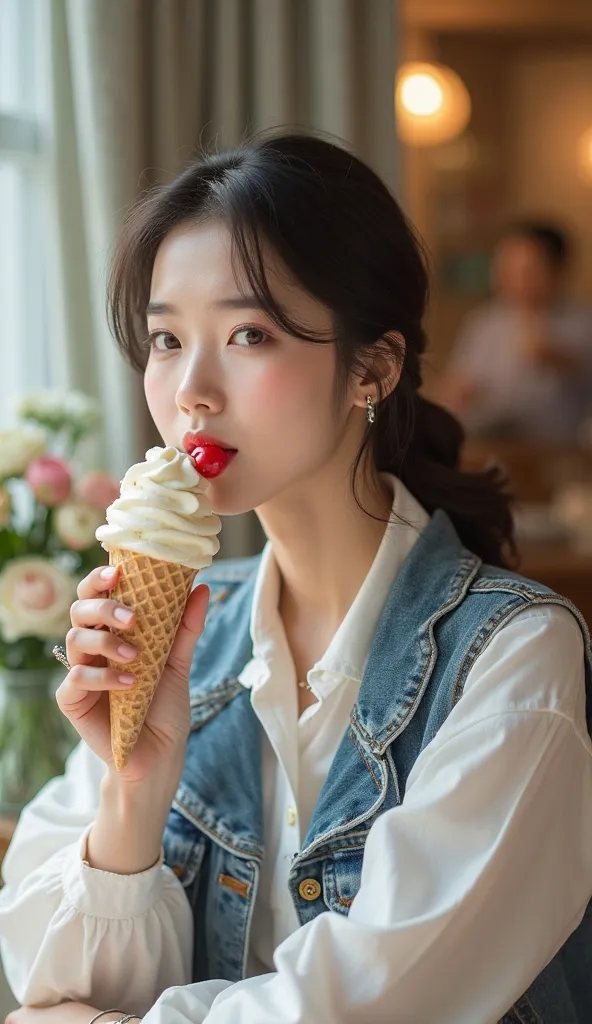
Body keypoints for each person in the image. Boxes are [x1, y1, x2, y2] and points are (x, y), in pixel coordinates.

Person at [1, 133, 592, 1024]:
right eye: (166, 338)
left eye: (248, 333)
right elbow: (52, 978)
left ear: (373, 367)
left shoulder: (513, 661)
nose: (192, 390)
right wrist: (131, 788)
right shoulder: (191, 636)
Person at [440, 221, 592, 441]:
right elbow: (460, 383)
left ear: (557, 270)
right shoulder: (486, 322)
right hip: (497, 445)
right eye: (506, 268)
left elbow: (582, 368)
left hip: (560, 451)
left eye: (527, 270)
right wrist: (456, 396)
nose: (514, 280)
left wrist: (553, 357)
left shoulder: (581, 321)